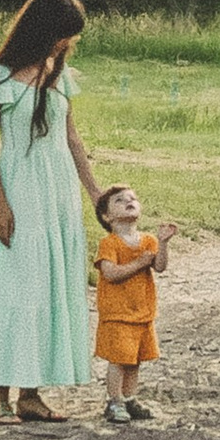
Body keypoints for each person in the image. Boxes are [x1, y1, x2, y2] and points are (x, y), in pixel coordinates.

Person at [0, 0, 103, 423]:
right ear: (43, 30)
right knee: (17, 286)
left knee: (48, 286)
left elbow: (71, 139)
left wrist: (95, 193)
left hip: (58, 193)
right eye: (62, 35)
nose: (66, 44)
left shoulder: (57, 76)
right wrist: (0, 204)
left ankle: (31, 393)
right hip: (22, 191)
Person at [91, 182, 175, 425]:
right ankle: (114, 399)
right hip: (117, 313)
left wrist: (164, 243)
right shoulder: (110, 243)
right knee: (118, 359)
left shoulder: (148, 240)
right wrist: (139, 263)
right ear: (107, 216)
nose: (129, 201)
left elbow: (159, 266)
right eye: (119, 200)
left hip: (142, 311)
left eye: (132, 198)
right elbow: (110, 273)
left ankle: (130, 398)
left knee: (135, 359)